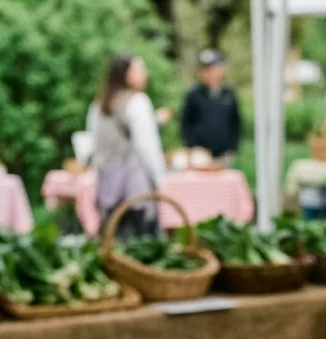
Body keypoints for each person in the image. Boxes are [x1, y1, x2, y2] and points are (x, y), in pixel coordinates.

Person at [87, 54, 170, 239]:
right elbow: (146, 146)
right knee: (143, 243)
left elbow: (92, 142)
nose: (145, 74)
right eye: (139, 69)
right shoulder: (137, 101)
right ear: (126, 74)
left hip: (107, 185)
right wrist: (159, 178)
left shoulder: (99, 104)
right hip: (134, 188)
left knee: (114, 241)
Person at [180, 49, 241, 160]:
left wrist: (232, 147)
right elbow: (186, 124)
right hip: (200, 155)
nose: (208, 74)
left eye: (211, 69)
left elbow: (235, 123)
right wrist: (193, 146)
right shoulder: (193, 95)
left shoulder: (229, 94)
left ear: (220, 69)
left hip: (224, 154)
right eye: (205, 70)